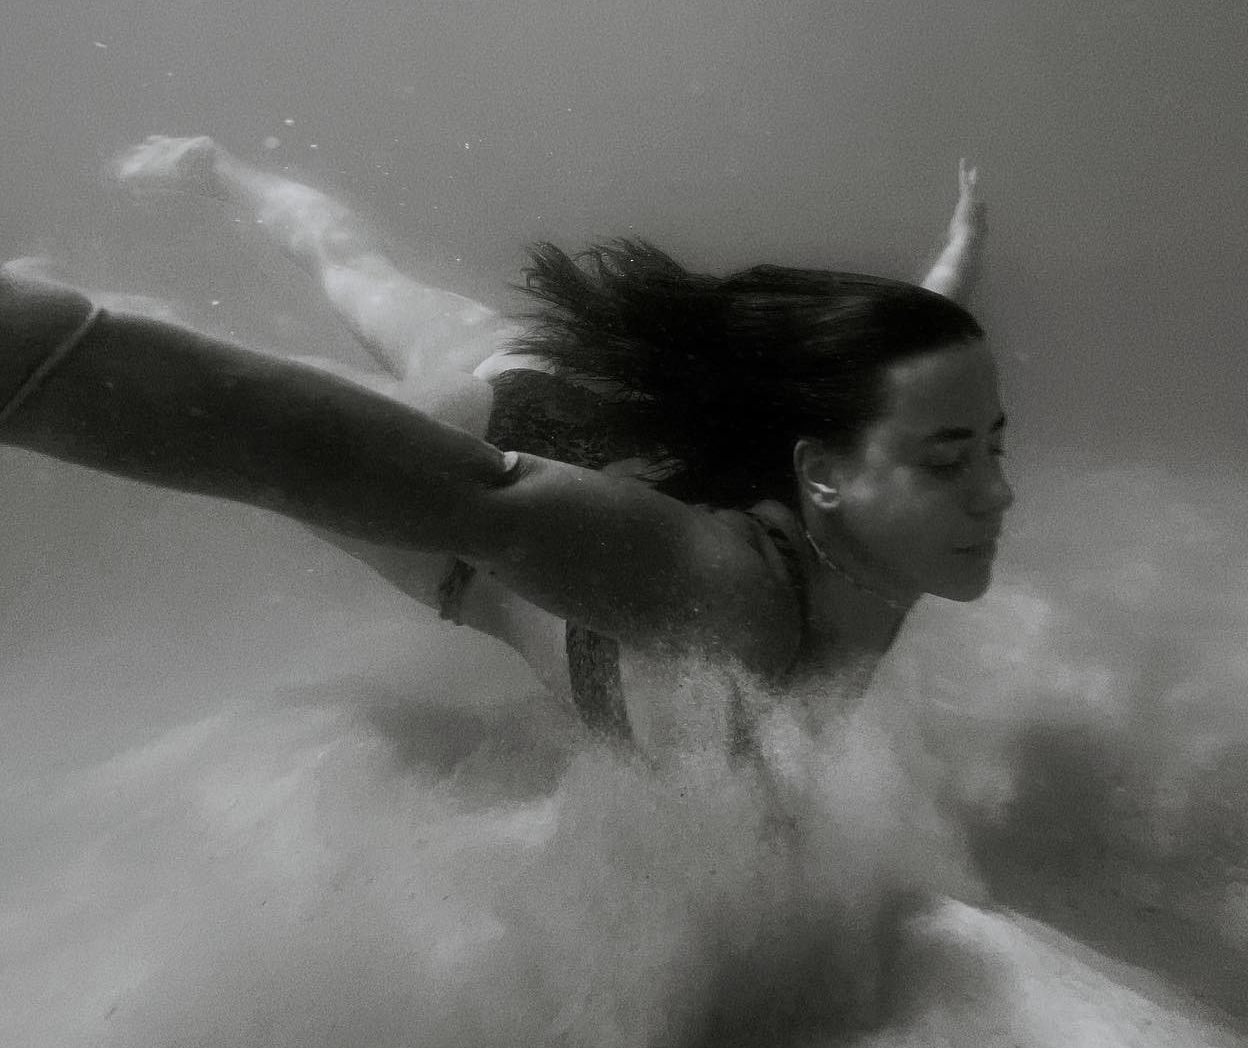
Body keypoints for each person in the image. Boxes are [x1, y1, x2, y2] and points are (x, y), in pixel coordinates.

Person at [2, 143, 1010, 741]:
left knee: (360, 272)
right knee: (250, 402)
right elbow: (478, 499)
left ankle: (216, 171)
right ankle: (52, 312)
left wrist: (958, 255)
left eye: (989, 450)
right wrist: (40, 367)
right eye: (950, 460)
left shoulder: (890, 524)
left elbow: (887, 376)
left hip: (560, 401)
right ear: (824, 477)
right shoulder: (737, 602)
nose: (996, 493)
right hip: (466, 490)